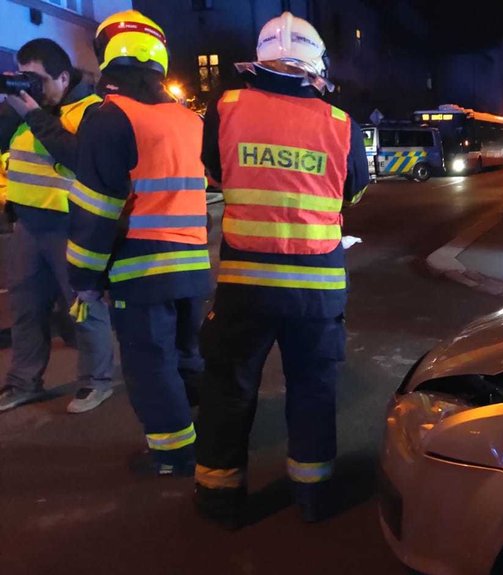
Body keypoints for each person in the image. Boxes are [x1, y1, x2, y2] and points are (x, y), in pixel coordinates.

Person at [194, 11, 369, 527]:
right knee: (313, 391)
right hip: (316, 292)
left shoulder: (224, 108)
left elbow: (217, 171)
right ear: (315, 67)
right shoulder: (340, 123)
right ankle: (311, 499)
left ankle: (219, 501)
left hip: (245, 286)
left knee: (229, 389)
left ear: (259, 62)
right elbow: (353, 191)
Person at [67, 11, 209, 476]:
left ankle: (172, 455)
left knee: (151, 365)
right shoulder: (188, 120)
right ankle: (204, 436)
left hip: (142, 268)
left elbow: (96, 210)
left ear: (108, 59)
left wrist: (84, 279)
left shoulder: (107, 118)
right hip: (194, 264)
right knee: (187, 355)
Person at [0, 39, 115, 413]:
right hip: (27, 225)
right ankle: (23, 382)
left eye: (37, 79)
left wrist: (32, 113)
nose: (31, 87)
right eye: (23, 78)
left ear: (64, 77)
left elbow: (77, 157)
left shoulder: (91, 110)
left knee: (82, 306)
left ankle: (96, 381)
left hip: (71, 225)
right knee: (27, 308)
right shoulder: (25, 109)